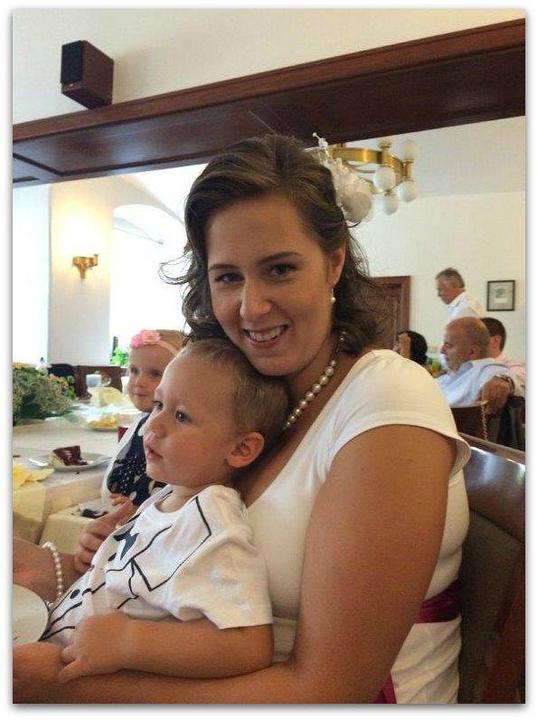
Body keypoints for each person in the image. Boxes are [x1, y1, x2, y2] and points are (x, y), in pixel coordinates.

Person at [14, 133, 472, 704]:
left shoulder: (386, 398)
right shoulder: (251, 397)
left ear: (334, 263)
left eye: (279, 269)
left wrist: (55, 686)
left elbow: (332, 689)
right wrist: (102, 557)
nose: (251, 307)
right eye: (227, 276)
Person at [14, 338, 289, 685]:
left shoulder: (212, 515)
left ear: (241, 448)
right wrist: (101, 552)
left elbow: (247, 643)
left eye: (181, 416)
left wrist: (129, 642)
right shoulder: (173, 494)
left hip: (66, 670)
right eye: (159, 405)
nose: (153, 426)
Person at [102, 328, 185, 507]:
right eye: (134, 371)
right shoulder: (142, 420)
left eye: (155, 374)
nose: (139, 381)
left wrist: (139, 509)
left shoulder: (177, 431)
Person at [437, 317, 512, 407]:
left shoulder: (489, 373)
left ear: (472, 351)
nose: (442, 351)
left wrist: (506, 380)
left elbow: (516, 380)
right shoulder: (451, 374)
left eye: (448, 346)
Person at [482, 317, 525, 396]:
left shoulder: (514, 366)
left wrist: (504, 381)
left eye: (476, 338)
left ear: (495, 341)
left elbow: (518, 377)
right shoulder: (465, 367)